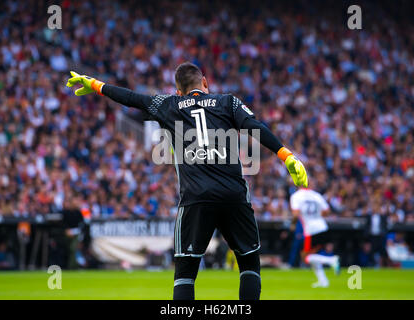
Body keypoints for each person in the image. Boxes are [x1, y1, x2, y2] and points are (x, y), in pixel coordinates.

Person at [66, 62, 308, 300]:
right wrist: (285, 155)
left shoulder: (170, 104)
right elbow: (254, 126)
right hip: (233, 196)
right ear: (205, 83)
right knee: (249, 265)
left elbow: (131, 98)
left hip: (195, 199)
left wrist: (95, 84)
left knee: (185, 274)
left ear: (178, 91)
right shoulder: (228, 102)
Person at [290, 184, 339, 288]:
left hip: (311, 230)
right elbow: (327, 211)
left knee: (305, 257)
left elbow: (295, 214)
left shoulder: (296, 196)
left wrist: (293, 224)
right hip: (322, 227)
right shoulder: (316, 195)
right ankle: (323, 281)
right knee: (311, 255)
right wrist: (316, 216)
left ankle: (331, 260)